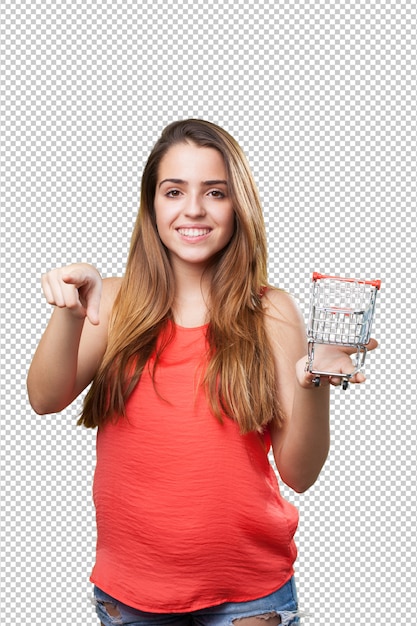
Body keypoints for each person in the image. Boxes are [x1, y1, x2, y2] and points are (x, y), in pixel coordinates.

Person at [27, 119, 377, 626]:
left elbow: (300, 474)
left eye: (215, 192)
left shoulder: (271, 312)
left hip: (249, 595)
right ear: (152, 205)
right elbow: (44, 397)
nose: (194, 209)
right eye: (174, 191)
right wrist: (69, 312)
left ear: (239, 206)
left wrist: (316, 380)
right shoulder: (113, 299)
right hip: (130, 592)